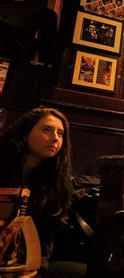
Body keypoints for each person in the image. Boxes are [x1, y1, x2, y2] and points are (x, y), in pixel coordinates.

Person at [0, 107, 73, 273]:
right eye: (47, 130)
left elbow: (46, 236)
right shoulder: (3, 164)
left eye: (60, 133)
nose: (55, 138)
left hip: (24, 260)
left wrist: (39, 269)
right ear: (25, 134)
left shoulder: (55, 180)